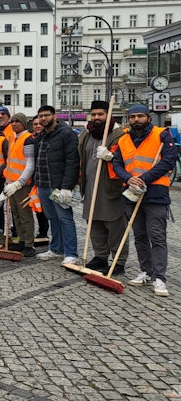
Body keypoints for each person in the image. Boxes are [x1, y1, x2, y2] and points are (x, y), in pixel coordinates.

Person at [112, 105, 177, 296]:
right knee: (140, 235)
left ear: (148, 118)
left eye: (140, 116)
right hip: (132, 192)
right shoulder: (124, 139)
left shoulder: (161, 135)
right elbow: (117, 163)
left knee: (157, 236)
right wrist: (128, 178)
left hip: (155, 193)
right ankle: (146, 271)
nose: (136, 119)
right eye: (133, 116)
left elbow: (168, 161)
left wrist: (144, 178)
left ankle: (160, 277)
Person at [77, 100, 127, 274]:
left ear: (108, 115)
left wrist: (111, 156)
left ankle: (118, 260)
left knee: (114, 225)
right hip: (90, 185)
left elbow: (127, 159)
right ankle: (100, 256)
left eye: (101, 114)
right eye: (94, 114)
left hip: (110, 186)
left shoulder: (120, 134)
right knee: (94, 222)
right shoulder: (87, 134)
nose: (97, 117)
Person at [33, 105, 80, 266]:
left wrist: (67, 187)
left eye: (46, 115)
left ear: (54, 116)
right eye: (41, 116)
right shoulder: (40, 136)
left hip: (58, 185)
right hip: (43, 184)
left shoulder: (66, 134)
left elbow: (72, 162)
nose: (43, 118)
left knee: (65, 218)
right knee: (52, 218)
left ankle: (71, 253)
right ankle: (56, 249)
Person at [1, 112, 35, 257]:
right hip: (11, 183)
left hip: (22, 184)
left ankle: (29, 244)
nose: (14, 124)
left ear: (24, 123)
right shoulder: (14, 138)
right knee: (16, 214)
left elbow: (30, 164)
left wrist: (20, 182)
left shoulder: (28, 139)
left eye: (17, 121)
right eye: (12, 121)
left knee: (25, 215)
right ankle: (22, 239)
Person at [29, 116, 50, 239]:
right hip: (33, 178)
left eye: (39, 124)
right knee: (37, 207)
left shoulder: (46, 139)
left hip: (44, 178)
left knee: (44, 207)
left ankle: (43, 231)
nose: (37, 126)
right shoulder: (31, 139)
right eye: (35, 124)